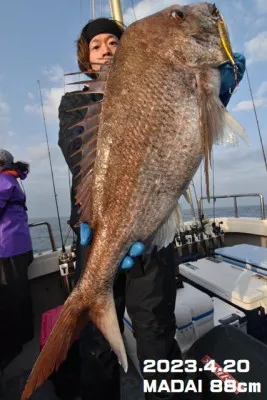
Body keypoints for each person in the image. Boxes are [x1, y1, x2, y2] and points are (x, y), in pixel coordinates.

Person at [58, 17, 246, 400]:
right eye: (97, 46)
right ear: (85, 57)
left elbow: (189, 131)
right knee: (95, 343)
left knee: (157, 335)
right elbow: (78, 156)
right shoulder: (76, 101)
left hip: (153, 230)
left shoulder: (163, 81)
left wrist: (216, 94)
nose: (107, 50)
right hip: (99, 231)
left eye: (114, 42)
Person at [0, 149, 34, 369]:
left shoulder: (3, 180)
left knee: (11, 298)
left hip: (8, 249)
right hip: (18, 247)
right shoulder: (11, 179)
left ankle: (14, 345)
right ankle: (21, 338)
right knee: (18, 295)